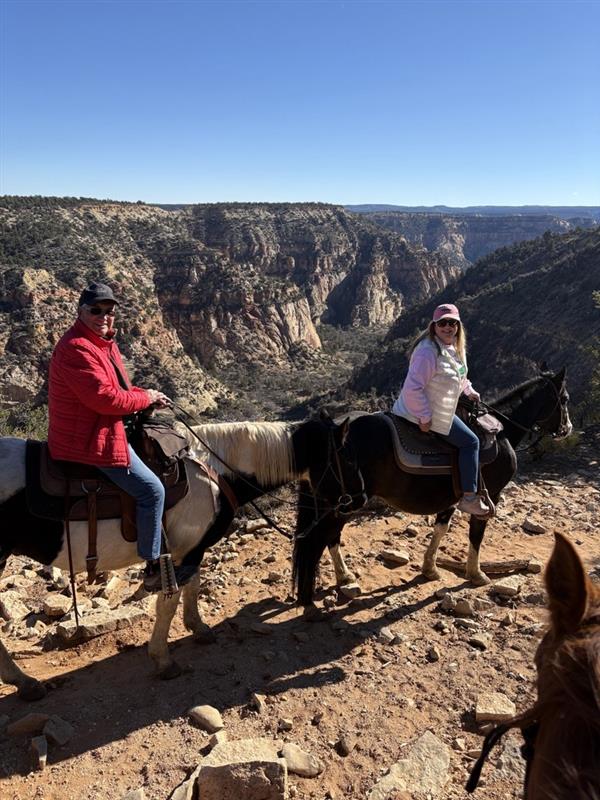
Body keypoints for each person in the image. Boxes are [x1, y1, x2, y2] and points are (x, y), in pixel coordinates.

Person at [48, 281, 174, 591]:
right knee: (152, 490)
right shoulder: (78, 347)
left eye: (109, 311)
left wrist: (146, 394)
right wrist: (145, 399)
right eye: (96, 310)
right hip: (89, 440)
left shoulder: (102, 342)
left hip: (97, 426)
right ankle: (153, 564)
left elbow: (118, 391)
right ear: (81, 312)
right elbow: (106, 400)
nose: (104, 316)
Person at [392, 303, 490, 516]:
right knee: (470, 442)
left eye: (452, 323)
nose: (448, 327)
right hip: (428, 411)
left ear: (458, 326)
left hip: (441, 406)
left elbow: (460, 375)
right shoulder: (428, 352)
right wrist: (424, 416)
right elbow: (411, 388)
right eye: (443, 323)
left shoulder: (454, 347)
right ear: (434, 326)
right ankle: (469, 497)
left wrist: (469, 390)